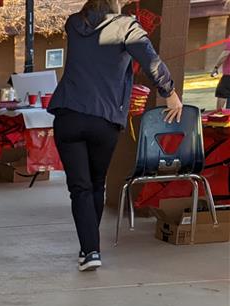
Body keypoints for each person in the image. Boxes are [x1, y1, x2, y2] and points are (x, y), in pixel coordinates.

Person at [48, 0, 182, 272]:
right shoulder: (126, 27)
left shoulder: (74, 23)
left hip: (69, 115)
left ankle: (90, 249)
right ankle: (90, 250)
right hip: (104, 119)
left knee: (80, 188)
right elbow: (151, 61)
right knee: (97, 184)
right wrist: (170, 93)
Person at [212, 40, 230, 112]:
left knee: (222, 93)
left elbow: (225, 55)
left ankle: (219, 114)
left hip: (228, 75)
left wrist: (216, 67)